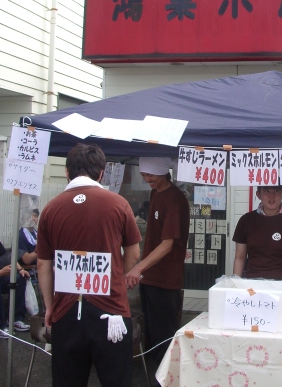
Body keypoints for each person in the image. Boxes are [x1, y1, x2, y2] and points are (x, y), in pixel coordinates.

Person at [36, 143, 141, 387]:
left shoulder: (51, 209)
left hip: (66, 311)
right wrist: (117, 278)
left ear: (66, 171)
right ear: (101, 172)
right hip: (111, 311)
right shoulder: (118, 204)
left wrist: (50, 307)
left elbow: (43, 264)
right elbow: (134, 254)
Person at [124, 157, 190, 377]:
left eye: (151, 175)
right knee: (150, 337)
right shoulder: (156, 194)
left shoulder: (174, 199)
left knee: (164, 339)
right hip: (150, 278)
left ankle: (166, 380)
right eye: (144, 175)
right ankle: (153, 377)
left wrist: (137, 268)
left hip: (165, 280)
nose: (147, 179)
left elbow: (168, 244)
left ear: (164, 172)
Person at [233, 185, 282, 280]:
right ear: (258, 194)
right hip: (252, 283)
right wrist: (235, 283)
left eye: (276, 191)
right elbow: (240, 258)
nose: (271, 195)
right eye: (267, 191)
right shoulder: (246, 220)